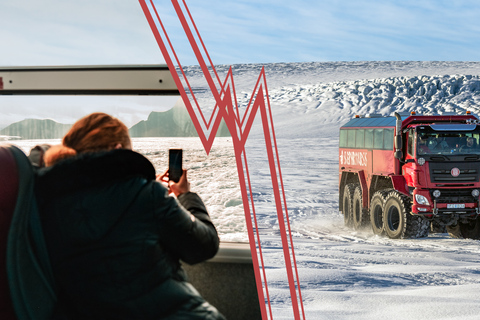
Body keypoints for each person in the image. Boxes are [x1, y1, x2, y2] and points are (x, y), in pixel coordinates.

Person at [35, 113, 225, 319]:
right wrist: (185, 196)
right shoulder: (147, 196)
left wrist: (147, 192)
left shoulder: (45, 203)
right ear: (118, 150)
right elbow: (204, 246)